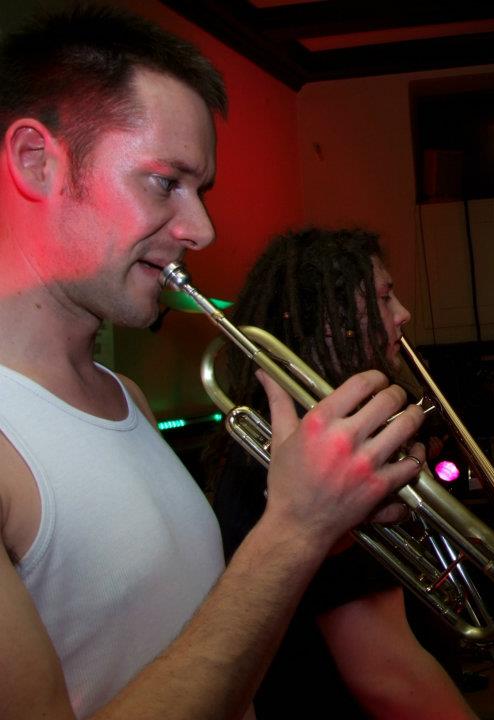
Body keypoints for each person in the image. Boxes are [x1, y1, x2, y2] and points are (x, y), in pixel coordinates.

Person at [0, 8, 425, 720]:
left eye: (202, 191)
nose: (201, 229)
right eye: (164, 182)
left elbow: (197, 640)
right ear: (36, 162)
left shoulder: (124, 395)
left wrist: (334, 516)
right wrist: (295, 530)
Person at [206, 227, 477, 719]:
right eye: (384, 297)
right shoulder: (308, 448)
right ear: (331, 321)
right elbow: (386, 675)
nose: (403, 314)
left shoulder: (319, 430)